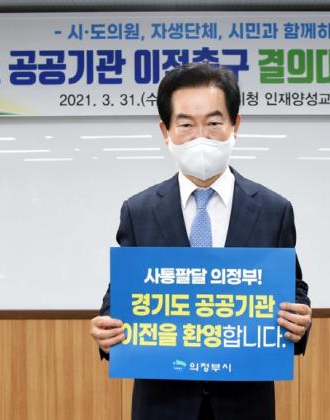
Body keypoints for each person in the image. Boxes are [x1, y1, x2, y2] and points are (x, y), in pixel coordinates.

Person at [90, 62, 312, 420]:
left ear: (235, 125)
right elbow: (124, 292)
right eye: (186, 124)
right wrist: (106, 325)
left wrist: (300, 318)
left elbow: (292, 288)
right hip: (162, 402)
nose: (201, 137)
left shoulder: (274, 209)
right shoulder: (139, 210)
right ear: (165, 131)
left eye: (213, 123)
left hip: (245, 402)